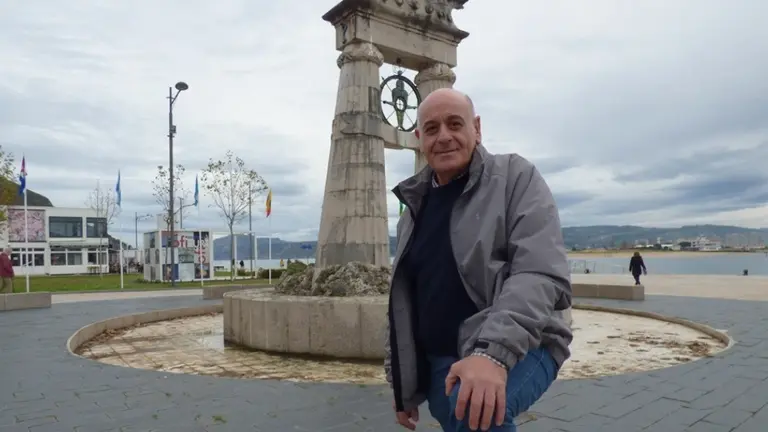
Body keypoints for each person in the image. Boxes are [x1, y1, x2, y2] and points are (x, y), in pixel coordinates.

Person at [386, 88, 573, 432]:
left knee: (475, 412)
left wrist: (491, 355)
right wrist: (401, 382)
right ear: (419, 139)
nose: (444, 136)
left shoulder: (515, 177)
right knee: (466, 416)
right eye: (431, 129)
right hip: (441, 360)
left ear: (477, 128)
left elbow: (539, 272)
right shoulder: (413, 207)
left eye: (455, 124)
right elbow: (404, 297)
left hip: (527, 343)